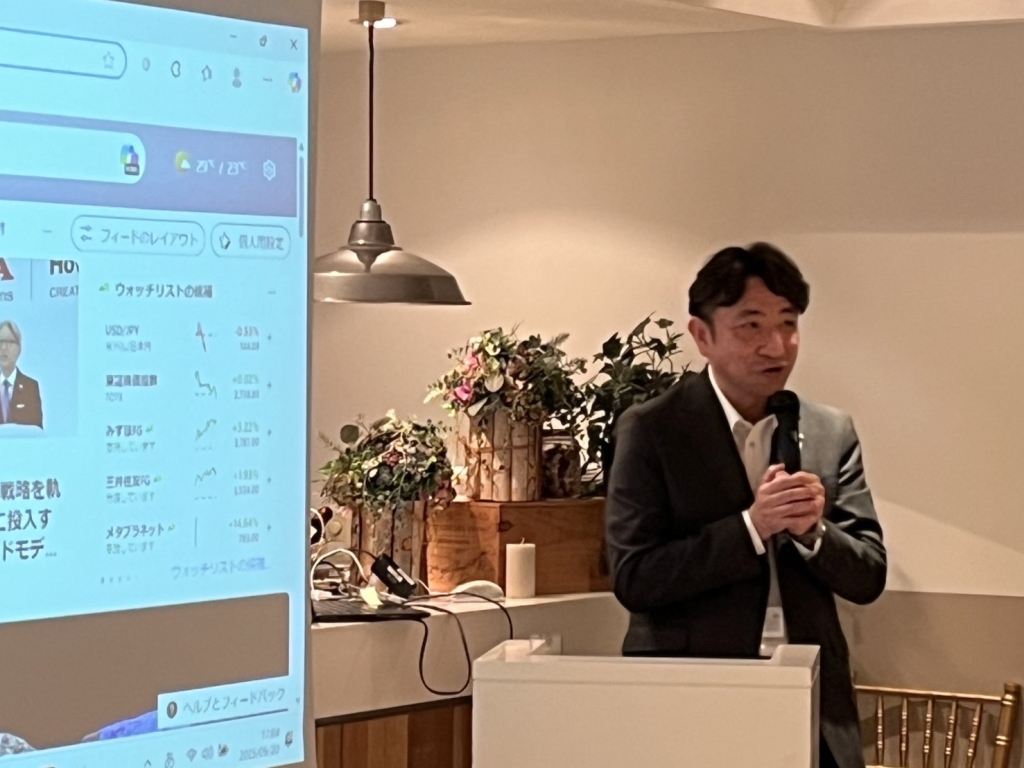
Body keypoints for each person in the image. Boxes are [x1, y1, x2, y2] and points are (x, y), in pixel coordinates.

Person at [605, 243, 886, 768]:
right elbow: (634, 577)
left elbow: (869, 575)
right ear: (702, 335)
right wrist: (752, 528)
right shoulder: (653, 430)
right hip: (691, 698)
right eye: (751, 326)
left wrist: (813, 533)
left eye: (788, 323)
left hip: (811, 697)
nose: (776, 345)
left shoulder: (830, 432)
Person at [0, 321, 43, 429]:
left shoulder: (30, 387)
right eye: (0, 341)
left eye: (10, 342)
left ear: (19, 349)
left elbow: (36, 430)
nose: (3, 347)